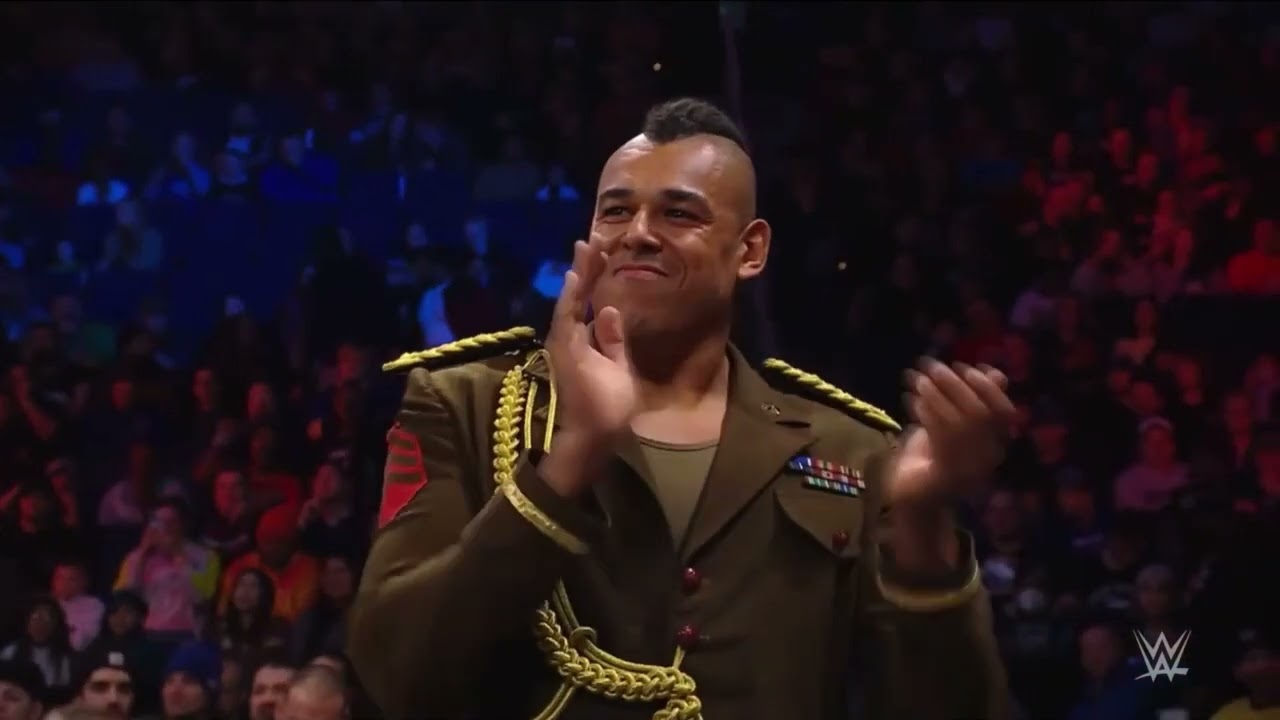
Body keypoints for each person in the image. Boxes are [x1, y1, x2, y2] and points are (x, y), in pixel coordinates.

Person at [348, 98, 1015, 719]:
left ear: (750, 251)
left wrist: (922, 523)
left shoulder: (852, 451)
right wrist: (573, 458)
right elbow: (394, 675)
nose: (637, 234)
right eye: (615, 212)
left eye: (678, 214)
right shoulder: (464, 404)